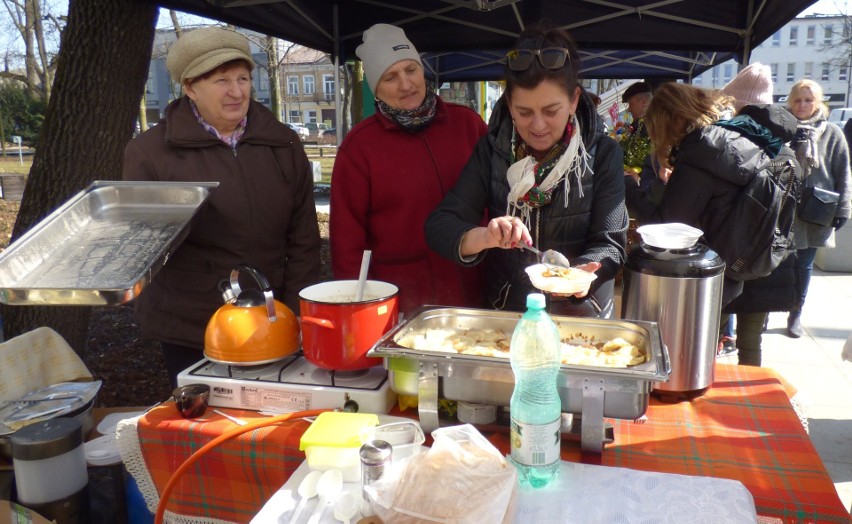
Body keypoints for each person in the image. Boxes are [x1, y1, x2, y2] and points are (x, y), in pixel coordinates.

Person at [123, 27, 321, 387]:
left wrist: (295, 310)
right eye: (220, 80)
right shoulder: (151, 153)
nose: (236, 91)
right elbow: (141, 248)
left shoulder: (282, 143)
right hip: (193, 327)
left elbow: (304, 237)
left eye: (243, 78)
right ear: (189, 88)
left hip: (272, 317)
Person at [425, 22, 628, 317]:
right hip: (509, 312)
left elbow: (611, 243)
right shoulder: (491, 151)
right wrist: (486, 236)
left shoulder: (602, 154)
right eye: (524, 112)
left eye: (550, 111)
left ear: (573, 101)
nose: (538, 126)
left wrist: (584, 274)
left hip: (582, 315)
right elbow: (440, 226)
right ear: (509, 104)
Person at [330, 23, 488, 316]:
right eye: (390, 77)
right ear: (375, 88)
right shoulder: (360, 147)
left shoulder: (468, 125)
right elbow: (347, 241)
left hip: (475, 287)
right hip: (402, 299)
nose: (406, 84)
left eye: (411, 70)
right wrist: (355, 310)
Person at [625, 82, 775, 307]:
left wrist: (628, 188)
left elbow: (667, 226)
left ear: (670, 120)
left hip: (710, 271)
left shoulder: (701, 151)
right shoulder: (726, 136)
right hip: (736, 259)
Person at [716, 63, 804, 365]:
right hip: (770, 255)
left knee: (708, 337)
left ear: (739, 106)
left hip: (729, 254)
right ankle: (745, 405)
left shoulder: (732, 144)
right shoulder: (788, 148)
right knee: (751, 343)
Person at [784, 79, 852, 338]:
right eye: (798, 100)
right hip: (783, 208)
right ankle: (767, 309)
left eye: (808, 100)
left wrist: (843, 209)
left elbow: (843, 172)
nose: (802, 105)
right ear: (791, 101)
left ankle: (795, 312)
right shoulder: (781, 127)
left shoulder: (832, 132)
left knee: (803, 264)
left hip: (815, 211)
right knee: (776, 263)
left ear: (818, 102)